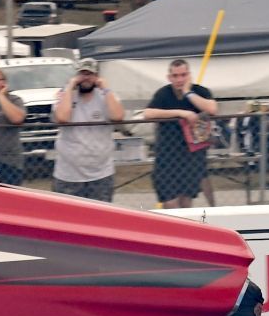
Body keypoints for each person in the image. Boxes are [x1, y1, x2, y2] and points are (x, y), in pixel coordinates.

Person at [142, 59, 216, 209]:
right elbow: (148, 113)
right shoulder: (163, 94)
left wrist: (188, 93)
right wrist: (181, 113)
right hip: (167, 157)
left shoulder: (200, 91)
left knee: (186, 202)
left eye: (183, 75)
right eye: (175, 76)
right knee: (170, 203)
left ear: (189, 75)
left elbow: (212, 109)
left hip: (191, 157)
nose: (179, 79)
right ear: (169, 77)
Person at [51, 58, 124, 201]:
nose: (86, 78)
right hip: (68, 175)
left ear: (97, 77)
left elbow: (118, 116)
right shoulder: (65, 94)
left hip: (101, 174)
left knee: (101, 214)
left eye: (90, 74)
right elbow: (62, 117)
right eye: (82, 74)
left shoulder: (107, 95)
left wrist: (106, 88)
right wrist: (70, 87)